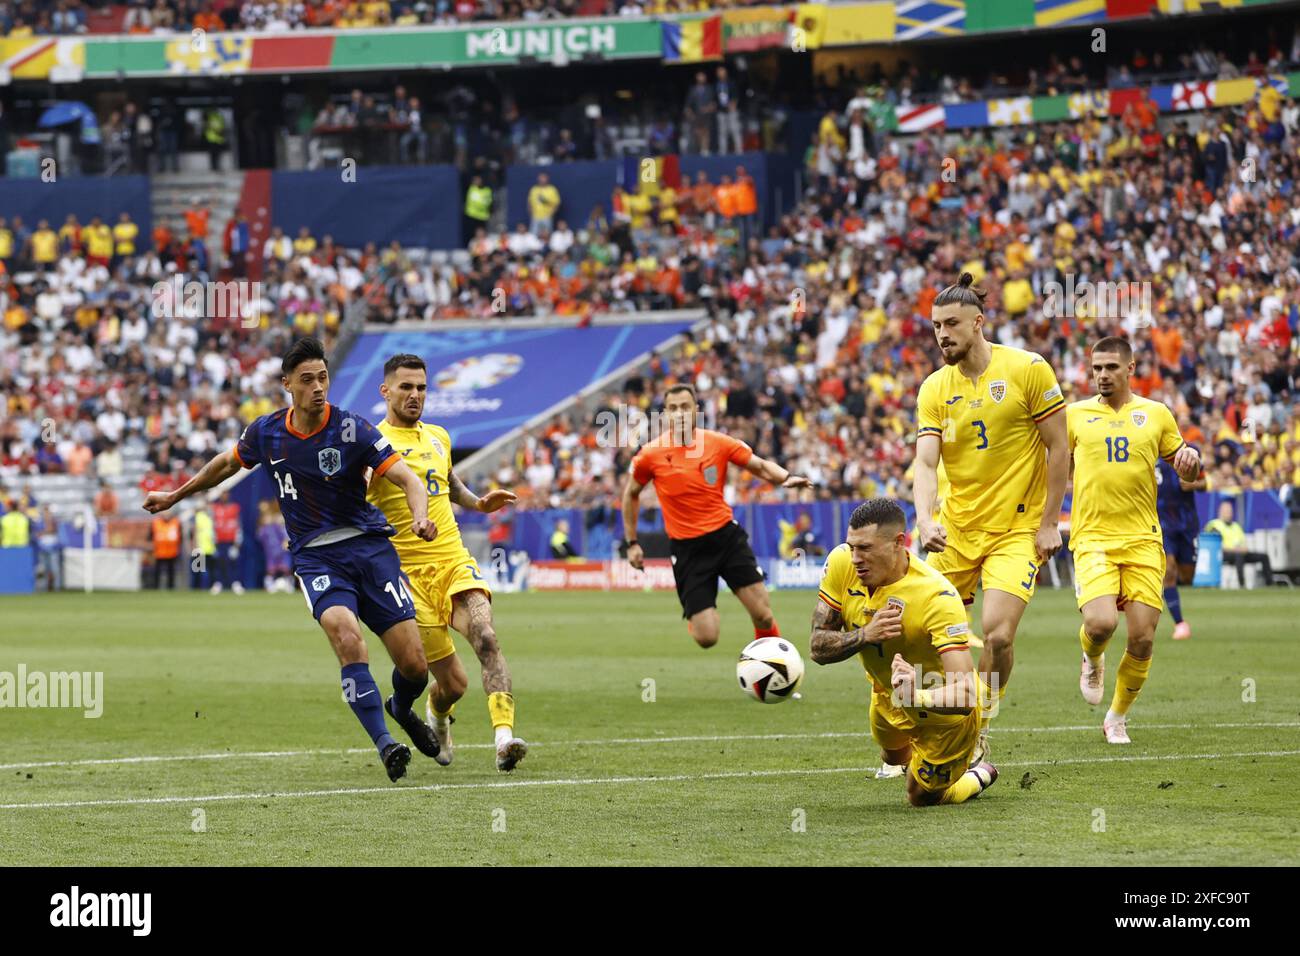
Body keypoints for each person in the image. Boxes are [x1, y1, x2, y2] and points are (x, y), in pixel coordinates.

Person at [143, 337, 442, 782]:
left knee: (415, 665)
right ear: (288, 385)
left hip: (369, 549)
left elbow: (408, 480)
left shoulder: (353, 428)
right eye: (307, 380)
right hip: (316, 558)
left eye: (323, 378)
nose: (318, 387)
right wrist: (175, 495)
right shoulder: (267, 432)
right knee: (347, 637)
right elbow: (225, 466)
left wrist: (420, 516)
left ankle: (400, 705)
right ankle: (385, 744)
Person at [911, 273, 1068, 763]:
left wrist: (1049, 523)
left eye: (951, 324)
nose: (942, 335)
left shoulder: (1028, 369)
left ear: (978, 322)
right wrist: (924, 519)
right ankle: (911, 731)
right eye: (936, 326)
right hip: (955, 531)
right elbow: (924, 462)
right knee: (917, 632)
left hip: (1016, 531)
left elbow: (1059, 447)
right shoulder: (935, 388)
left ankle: (979, 716)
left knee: (998, 634)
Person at [365, 353, 528, 772]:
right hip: (407, 578)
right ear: (385, 391)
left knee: (487, 636)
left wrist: (476, 501)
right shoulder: (372, 446)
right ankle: (438, 714)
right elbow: (354, 500)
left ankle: (504, 739)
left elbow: (447, 480)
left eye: (421, 387)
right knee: (452, 685)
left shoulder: (438, 435)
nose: (415, 395)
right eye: (406, 387)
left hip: (453, 560)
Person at [810, 498, 997, 807]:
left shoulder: (938, 597)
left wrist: (916, 697)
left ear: (899, 542)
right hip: (886, 694)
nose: (855, 558)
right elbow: (817, 646)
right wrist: (865, 635)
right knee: (893, 756)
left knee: (920, 797)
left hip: (942, 709)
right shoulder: (842, 564)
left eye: (866, 548)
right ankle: (935, 763)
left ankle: (977, 774)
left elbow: (966, 695)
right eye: (851, 546)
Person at [1067, 337, 1202, 744]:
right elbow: (1053, 465)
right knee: (1102, 622)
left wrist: (1192, 460)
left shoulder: (1156, 414)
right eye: (1096, 369)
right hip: (1093, 537)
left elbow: (1186, 468)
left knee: (1142, 637)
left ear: (1130, 369)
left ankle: (1117, 716)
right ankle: (1092, 658)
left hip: (1143, 539)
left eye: (1111, 367)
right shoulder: (1074, 415)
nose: (1103, 375)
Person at [622, 383, 811, 649]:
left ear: (696, 410)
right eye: (673, 409)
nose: (679, 414)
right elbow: (630, 494)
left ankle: (775, 669)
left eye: (685, 407)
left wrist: (786, 477)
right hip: (687, 549)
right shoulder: (650, 455)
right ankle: (698, 613)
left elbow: (758, 465)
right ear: (665, 414)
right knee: (707, 637)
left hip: (725, 538)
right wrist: (632, 543)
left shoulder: (717, 443)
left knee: (763, 613)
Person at [1157, 451, 1206, 641]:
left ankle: (1167, 593)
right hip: (1161, 524)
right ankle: (1180, 623)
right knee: (1168, 571)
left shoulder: (1188, 451)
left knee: (1187, 576)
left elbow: (1204, 483)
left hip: (1187, 523)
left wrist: (1194, 483)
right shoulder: (1147, 447)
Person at [1205, 500, 1275, 588]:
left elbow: (1244, 545)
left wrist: (1243, 549)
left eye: (1230, 511)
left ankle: (1270, 584)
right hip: (1224, 553)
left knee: (1264, 556)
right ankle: (1242, 584)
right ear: (1220, 512)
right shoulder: (1214, 525)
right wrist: (1235, 550)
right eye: (1226, 511)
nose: (1229, 513)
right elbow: (1215, 545)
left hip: (1240, 552)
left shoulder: (1236, 526)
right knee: (1239, 556)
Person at [212, 490, 244, 594]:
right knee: (219, 563)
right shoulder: (215, 508)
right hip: (220, 541)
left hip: (231, 540)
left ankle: (235, 583)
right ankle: (218, 583)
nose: (224, 496)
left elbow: (239, 525)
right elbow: (213, 525)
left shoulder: (234, 508)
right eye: (222, 494)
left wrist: (238, 542)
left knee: (233, 562)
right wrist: (213, 540)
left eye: (226, 494)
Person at [150, 512, 181, 589]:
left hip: (172, 552)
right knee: (157, 572)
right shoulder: (156, 523)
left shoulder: (176, 522)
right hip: (159, 552)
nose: (166, 515)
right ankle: (155, 587)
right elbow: (150, 536)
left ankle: (171, 588)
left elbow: (180, 537)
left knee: (171, 572)